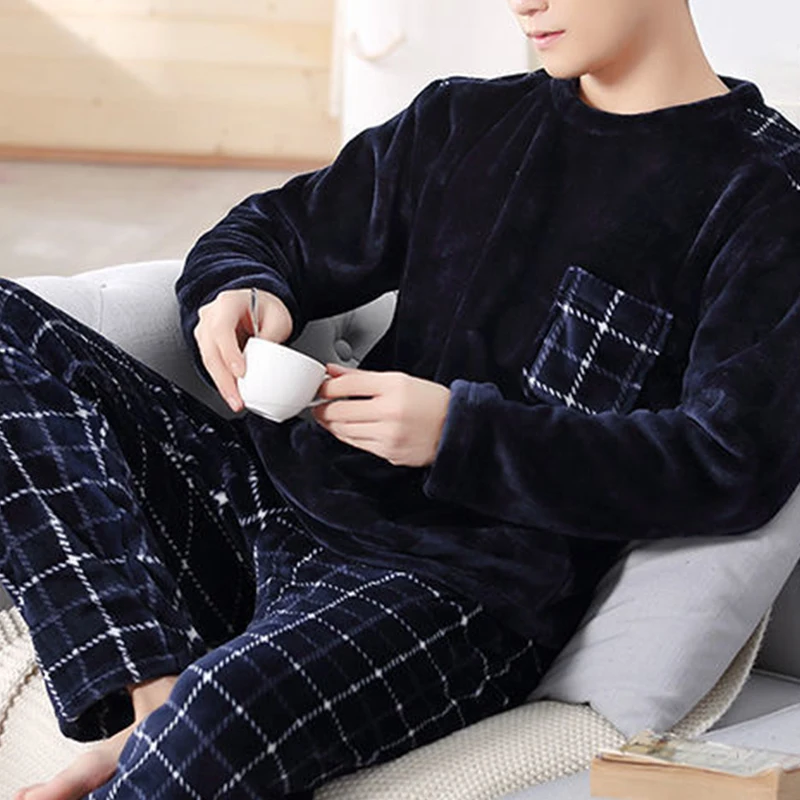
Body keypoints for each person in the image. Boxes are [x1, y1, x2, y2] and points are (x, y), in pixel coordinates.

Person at [3, 0, 800, 797]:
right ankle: (150, 692)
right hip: (271, 500)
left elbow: (726, 463)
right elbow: (269, 230)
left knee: (221, 714)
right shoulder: (462, 119)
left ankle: (173, 725)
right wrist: (241, 289)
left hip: (455, 591)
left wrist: (461, 435)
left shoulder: (766, 192)